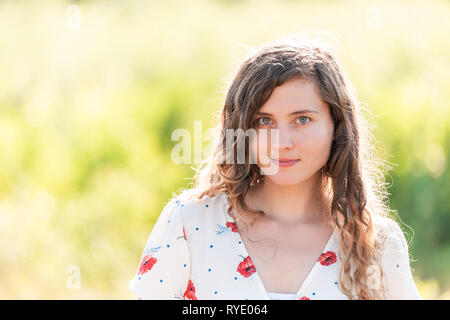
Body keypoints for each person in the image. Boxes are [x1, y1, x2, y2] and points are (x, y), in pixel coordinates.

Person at [128, 34, 423, 300]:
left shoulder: (377, 244)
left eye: (302, 119)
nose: (282, 142)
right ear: (242, 129)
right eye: (264, 121)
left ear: (337, 126)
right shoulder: (190, 223)